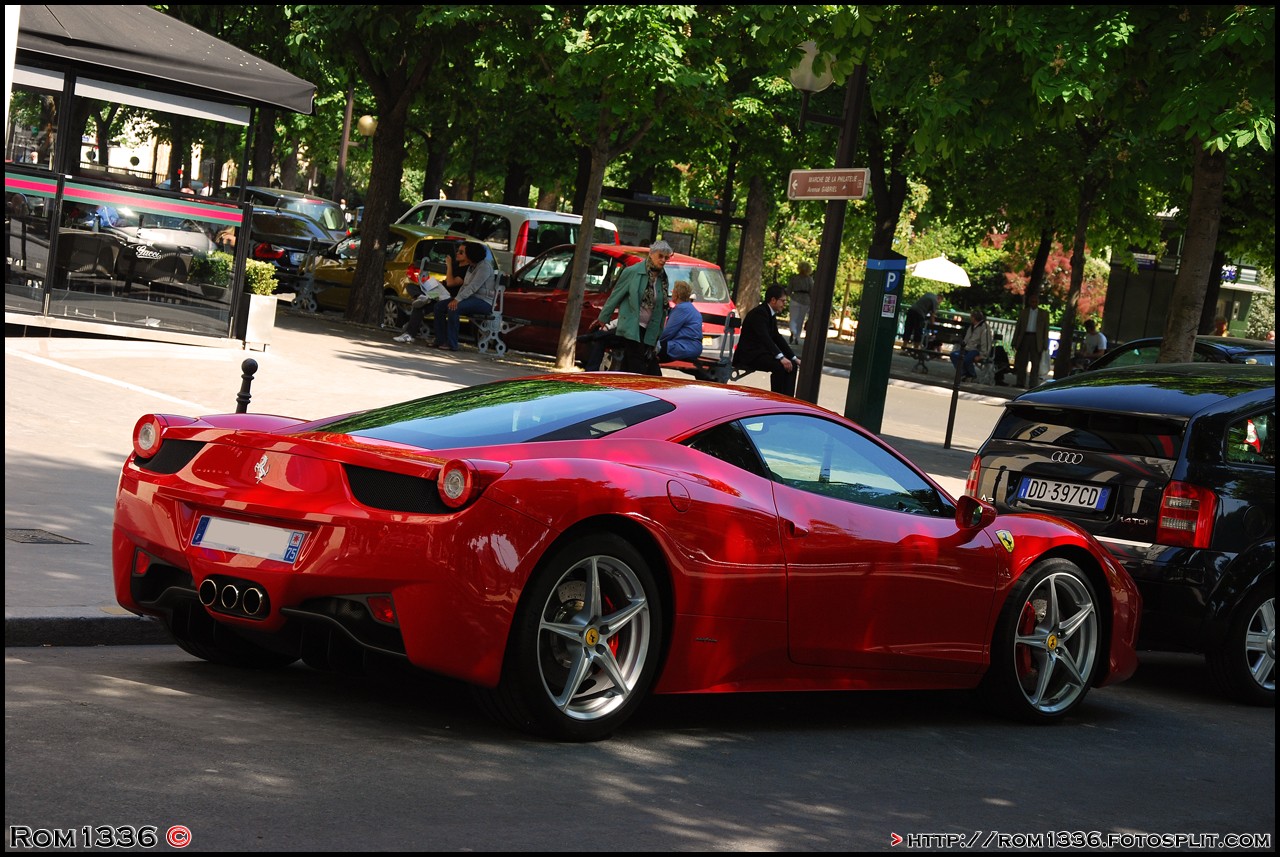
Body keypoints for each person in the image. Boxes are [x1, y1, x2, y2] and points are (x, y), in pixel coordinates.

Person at [589, 240, 673, 375]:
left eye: (666, 257)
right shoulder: (633, 272)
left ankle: (623, 390)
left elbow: (661, 306)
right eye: (660, 256)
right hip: (633, 326)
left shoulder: (663, 277)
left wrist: (659, 331)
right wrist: (603, 317)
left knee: (633, 365)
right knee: (640, 365)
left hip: (650, 329)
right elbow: (616, 296)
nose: (663, 260)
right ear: (651, 254)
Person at [733, 285, 799, 396]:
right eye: (782, 301)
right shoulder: (759, 314)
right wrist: (781, 358)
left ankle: (788, 399)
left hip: (760, 353)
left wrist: (793, 357)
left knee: (792, 365)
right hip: (750, 355)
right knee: (780, 366)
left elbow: (776, 337)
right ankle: (777, 399)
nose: (784, 304)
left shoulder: (769, 313)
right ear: (773, 300)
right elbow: (765, 338)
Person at [432, 241, 496, 352]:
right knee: (439, 306)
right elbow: (465, 286)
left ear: (471, 255)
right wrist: (455, 298)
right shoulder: (471, 266)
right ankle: (440, 339)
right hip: (469, 299)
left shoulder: (484, 267)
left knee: (454, 308)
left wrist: (457, 300)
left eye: (463, 252)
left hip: (483, 301)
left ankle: (452, 344)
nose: (459, 254)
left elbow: (473, 287)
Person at [657, 280, 703, 364]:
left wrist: (654, 341)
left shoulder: (681, 308)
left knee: (649, 351)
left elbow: (668, 332)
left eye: (673, 290)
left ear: (677, 294)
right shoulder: (688, 307)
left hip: (684, 346)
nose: (671, 292)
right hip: (692, 346)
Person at [1012, 300, 1050, 388]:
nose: (1033, 303)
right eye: (1032, 301)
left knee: (1035, 363)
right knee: (1022, 362)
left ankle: (1033, 384)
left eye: (1035, 301)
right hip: (1024, 337)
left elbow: (1046, 330)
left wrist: (1045, 344)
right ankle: (1020, 382)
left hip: (1036, 339)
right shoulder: (1024, 312)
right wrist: (1015, 341)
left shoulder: (1043, 314)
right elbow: (1018, 327)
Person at [949, 308, 993, 382]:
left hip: (976, 350)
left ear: (974, 318)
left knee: (966, 359)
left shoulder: (985, 327)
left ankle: (971, 374)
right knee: (954, 355)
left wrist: (982, 355)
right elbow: (966, 338)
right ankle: (963, 373)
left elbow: (986, 343)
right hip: (967, 348)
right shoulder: (971, 326)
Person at [786, 262, 814, 345]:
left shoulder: (794, 278)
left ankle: (793, 330)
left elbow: (789, 290)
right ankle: (797, 337)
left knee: (793, 317)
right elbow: (812, 291)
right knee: (800, 320)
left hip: (795, 298)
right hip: (806, 300)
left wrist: (790, 295)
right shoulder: (809, 279)